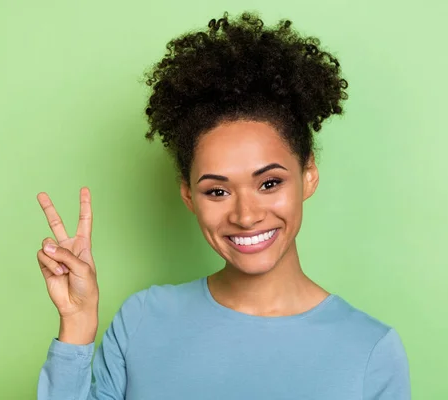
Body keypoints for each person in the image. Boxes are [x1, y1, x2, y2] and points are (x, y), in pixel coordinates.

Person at [35, 11, 410, 400]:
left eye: (269, 183)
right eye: (217, 191)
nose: (246, 216)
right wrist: (77, 323)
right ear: (188, 195)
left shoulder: (371, 351)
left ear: (309, 174)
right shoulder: (143, 319)